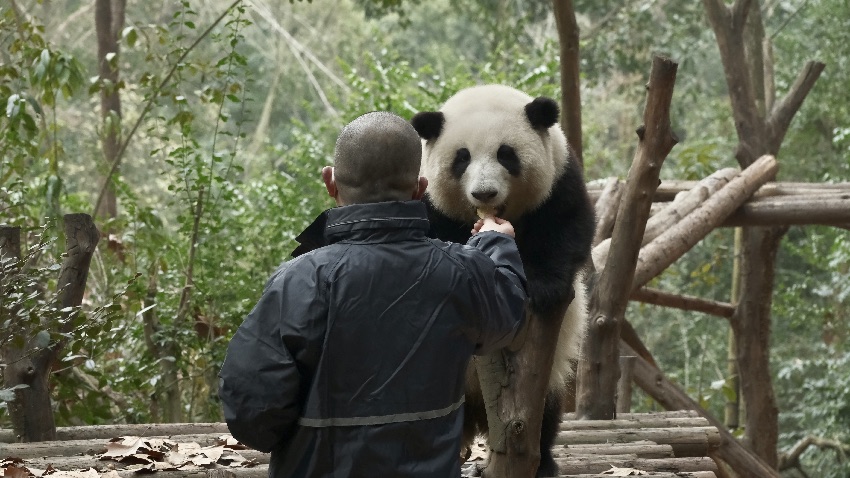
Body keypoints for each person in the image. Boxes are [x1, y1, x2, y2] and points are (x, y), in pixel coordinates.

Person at [218, 111, 528, 477]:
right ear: (420, 189)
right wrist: (496, 244)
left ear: (330, 182)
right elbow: (510, 320)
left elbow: (251, 410)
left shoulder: (298, 280)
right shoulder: (461, 271)